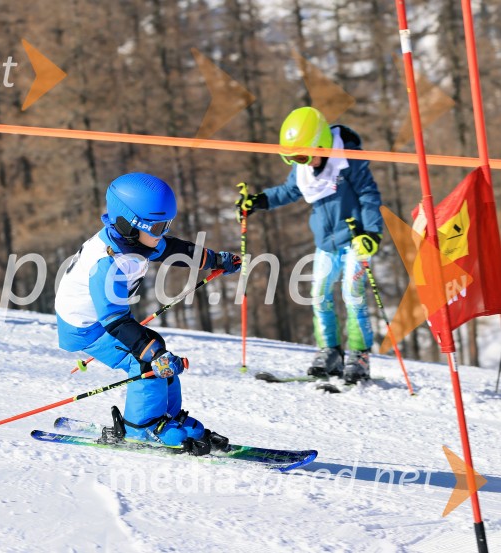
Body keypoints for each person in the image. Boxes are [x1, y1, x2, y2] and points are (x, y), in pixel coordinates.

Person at [55, 173, 242, 451]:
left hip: (107, 319)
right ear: (128, 225)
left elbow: (175, 250)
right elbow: (114, 320)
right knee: (146, 360)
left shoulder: (136, 241)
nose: (163, 232)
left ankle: (168, 417)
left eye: (166, 224)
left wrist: (215, 260)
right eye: (157, 227)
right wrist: (152, 353)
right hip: (86, 327)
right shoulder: (108, 263)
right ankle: (141, 428)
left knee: (157, 350)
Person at [236, 107, 384, 383]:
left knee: (353, 296)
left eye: (303, 156)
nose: (300, 162)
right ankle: (330, 351)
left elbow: (369, 194)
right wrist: (259, 201)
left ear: (322, 144)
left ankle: (360, 355)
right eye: (292, 158)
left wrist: (372, 232)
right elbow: (289, 190)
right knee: (319, 295)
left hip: (355, 240)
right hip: (325, 243)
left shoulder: (348, 160)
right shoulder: (305, 167)